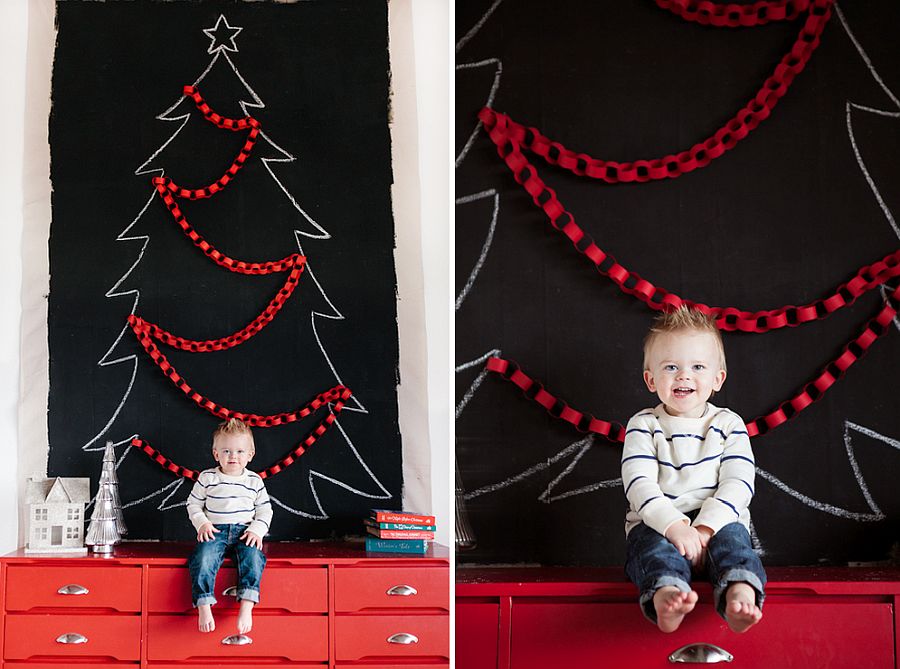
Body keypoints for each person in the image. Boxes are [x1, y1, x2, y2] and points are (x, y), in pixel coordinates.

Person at [622, 306, 765, 634]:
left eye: (698, 367)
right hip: (660, 523)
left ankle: (739, 594)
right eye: (671, 367)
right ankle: (667, 595)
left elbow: (738, 483)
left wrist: (705, 529)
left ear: (718, 379)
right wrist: (674, 527)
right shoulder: (644, 425)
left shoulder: (728, 424)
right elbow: (639, 484)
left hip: (717, 526)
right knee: (651, 550)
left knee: (736, 548)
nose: (684, 375)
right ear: (650, 379)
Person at [187, 417, 272, 634]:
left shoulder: (254, 481)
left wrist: (257, 529)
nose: (233, 456)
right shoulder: (207, 478)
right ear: (216, 454)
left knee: (254, 558)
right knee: (202, 558)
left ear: (250, 455)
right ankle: (204, 604)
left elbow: (265, 510)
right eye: (226, 451)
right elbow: (193, 504)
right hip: (215, 530)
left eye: (240, 452)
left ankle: (247, 604)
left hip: (245, 532)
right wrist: (202, 523)